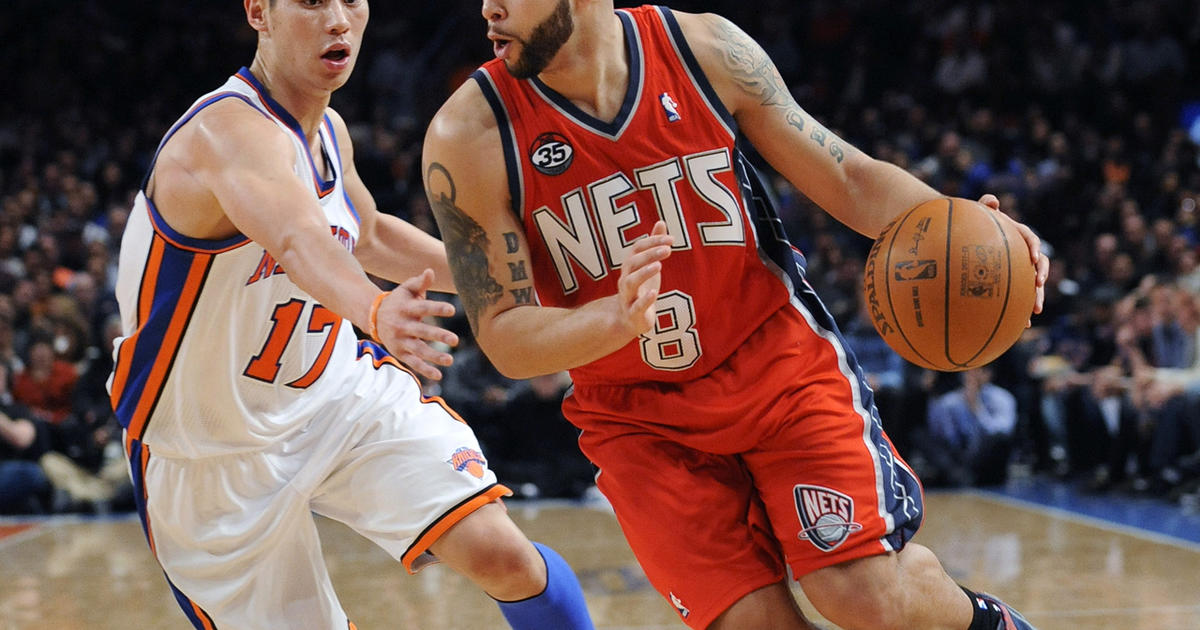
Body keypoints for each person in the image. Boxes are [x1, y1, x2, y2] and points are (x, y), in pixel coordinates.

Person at [422, 1, 1049, 629]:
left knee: (862, 594)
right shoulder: (469, 133)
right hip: (638, 417)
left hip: (777, 367)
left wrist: (971, 232)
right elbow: (503, 334)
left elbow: (851, 179)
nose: (488, 8)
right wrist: (613, 319)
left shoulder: (705, 48)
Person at [107, 1, 594, 628]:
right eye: (312, 1)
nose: (338, 20)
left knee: (502, 555)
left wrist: (527, 275)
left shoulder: (329, 131)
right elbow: (298, 239)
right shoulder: (224, 130)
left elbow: (365, 234)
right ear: (259, 11)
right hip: (207, 448)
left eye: (352, 2)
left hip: (333, 396)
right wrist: (373, 306)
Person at [924, 366, 1019, 487]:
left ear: (988, 374)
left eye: (975, 371)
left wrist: (977, 409)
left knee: (999, 439)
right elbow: (941, 432)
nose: (970, 375)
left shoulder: (1003, 398)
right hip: (960, 452)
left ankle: (969, 477)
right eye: (968, 371)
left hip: (985, 454)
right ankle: (957, 476)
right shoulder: (951, 400)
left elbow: (1003, 431)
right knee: (923, 438)